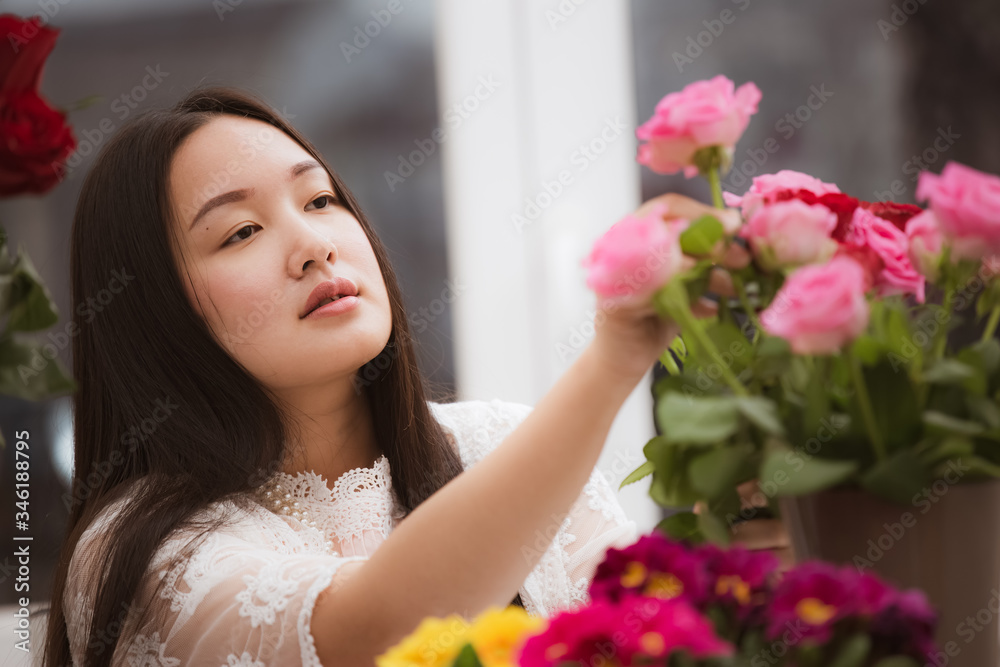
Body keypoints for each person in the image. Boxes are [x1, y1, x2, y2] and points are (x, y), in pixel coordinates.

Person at [42, 85, 743, 667]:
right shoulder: (139, 551)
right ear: (154, 313)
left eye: (319, 200)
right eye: (241, 232)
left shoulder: (501, 440)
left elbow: (666, 640)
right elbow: (374, 632)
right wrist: (614, 358)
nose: (315, 245)